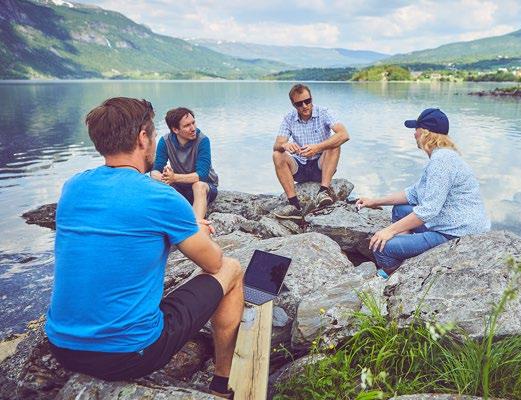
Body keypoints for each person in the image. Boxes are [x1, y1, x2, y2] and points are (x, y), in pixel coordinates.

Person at [45, 97, 243, 398]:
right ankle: (220, 385)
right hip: (128, 354)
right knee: (232, 269)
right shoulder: (159, 197)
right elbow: (214, 263)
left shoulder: (72, 187)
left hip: (62, 347)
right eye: (151, 134)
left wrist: (179, 233)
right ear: (142, 138)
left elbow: (122, 241)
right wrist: (193, 233)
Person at [356, 108, 491, 278]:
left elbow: (428, 210)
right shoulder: (444, 156)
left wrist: (389, 231)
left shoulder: (441, 162)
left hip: (456, 234)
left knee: (381, 247)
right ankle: (407, 251)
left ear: (425, 133)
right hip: (452, 222)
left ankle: (399, 276)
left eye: (416, 129)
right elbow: (412, 194)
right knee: (399, 209)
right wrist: (374, 201)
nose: (414, 134)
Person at [272, 84, 350, 220]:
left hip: (321, 166)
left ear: (311, 99)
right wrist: (286, 145)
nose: (304, 106)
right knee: (277, 154)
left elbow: (344, 135)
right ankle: (294, 205)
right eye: (299, 103)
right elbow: (277, 145)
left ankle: (323, 192)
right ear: (293, 104)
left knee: (335, 143)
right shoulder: (288, 118)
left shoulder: (324, 112)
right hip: (300, 168)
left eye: (307, 101)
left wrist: (317, 147)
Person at [151, 107, 218, 221]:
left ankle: (196, 226)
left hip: (206, 186)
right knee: (158, 186)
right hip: (180, 187)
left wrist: (174, 177)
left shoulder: (203, 140)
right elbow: (154, 171)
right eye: (187, 125)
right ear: (175, 130)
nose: (193, 128)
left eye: (193, 123)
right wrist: (166, 177)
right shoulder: (165, 141)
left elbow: (201, 175)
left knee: (198, 185)